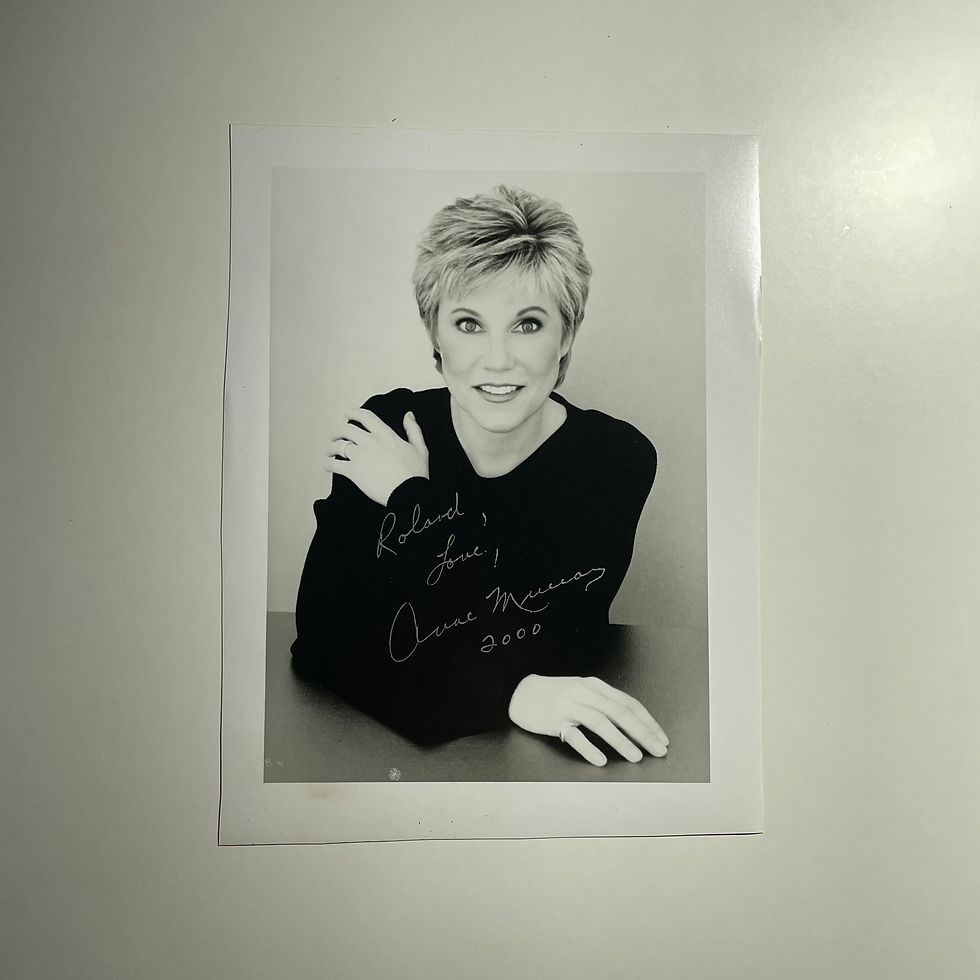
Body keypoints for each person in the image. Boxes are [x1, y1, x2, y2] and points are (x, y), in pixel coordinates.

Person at [290, 185, 668, 766]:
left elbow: (540, 633)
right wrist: (512, 694)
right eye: (469, 324)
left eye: (528, 324)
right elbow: (323, 640)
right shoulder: (390, 429)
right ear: (435, 337)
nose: (497, 360)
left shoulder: (616, 458)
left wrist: (411, 498)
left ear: (566, 336)